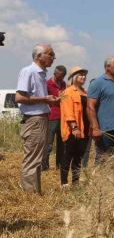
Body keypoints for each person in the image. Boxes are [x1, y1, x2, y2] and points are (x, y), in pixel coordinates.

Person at [15, 44, 59, 193]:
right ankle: (29, 195)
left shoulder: (40, 74)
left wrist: (47, 100)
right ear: (39, 56)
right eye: (50, 54)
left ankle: (34, 192)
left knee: (37, 158)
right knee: (32, 159)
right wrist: (45, 99)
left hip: (40, 118)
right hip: (34, 120)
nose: (53, 57)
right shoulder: (29, 71)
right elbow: (19, 97)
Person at [59, 66, 90, 186]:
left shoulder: (85, 92)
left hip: (85, 129)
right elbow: (68, 112)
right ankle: (64, 183)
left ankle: (75, 182)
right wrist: (74, 127)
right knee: (68, 156)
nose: (83, 77)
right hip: (73, 130)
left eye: (84, 74)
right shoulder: (66, 92)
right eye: (80, 74)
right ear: (73, 77)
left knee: (79, 157)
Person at [43, 65, 66, 171]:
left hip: (62, 116)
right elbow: (44, 99)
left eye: (62, 76)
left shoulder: (64, 84)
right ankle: (45, 166)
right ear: (55, 73)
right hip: (52, 116)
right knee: (49, 143)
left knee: (61, 144)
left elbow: (65, 97)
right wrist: (54, 100)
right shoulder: (47, 84)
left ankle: (59, 166)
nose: (60, 78)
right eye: (59, 76)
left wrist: (63, 97)